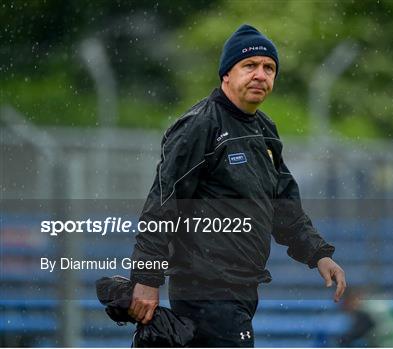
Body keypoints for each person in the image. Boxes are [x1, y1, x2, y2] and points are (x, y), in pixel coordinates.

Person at [128, 24, 346, 347]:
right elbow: (163, 204)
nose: (261, 74)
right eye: (250, 66)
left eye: (269, 68)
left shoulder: (265, 129)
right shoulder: (201, 124)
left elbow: (283, 204)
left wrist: (318, 254)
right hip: (205, 290)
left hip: (242, 290)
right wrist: (146, 279)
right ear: (226, 74)